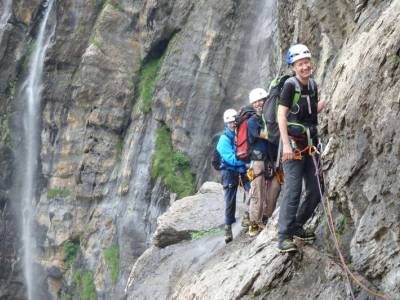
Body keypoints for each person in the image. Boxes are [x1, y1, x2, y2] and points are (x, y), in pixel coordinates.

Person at [277, 44, 326, 252]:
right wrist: (286, 145)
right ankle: (283, 236)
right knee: (293, 190)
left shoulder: (312, 85)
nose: (305, 66)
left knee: (316, 189)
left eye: (306, 62)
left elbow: (309, 113)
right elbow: (281, 115)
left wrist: (322, 104)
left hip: (310, 146)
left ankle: (297, 225)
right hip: (293, 148)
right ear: (293, 67)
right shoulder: (290, 85)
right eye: (300, 64)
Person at [247, 89, 281, 237]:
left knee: (274, 188)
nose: (259, 103)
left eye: (261, 100)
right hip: (258, 161)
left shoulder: (271, 117)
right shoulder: (252, 121)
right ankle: (254, 222)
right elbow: (265, 135)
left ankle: (266, 217)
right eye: (256, 101)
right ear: (252, 104)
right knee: (257, 191)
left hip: (272, 159)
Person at [216, 109, 250, 243]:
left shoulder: (240, 133)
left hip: (242, 168)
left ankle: (249, 214)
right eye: (230, 122)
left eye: (234, 122)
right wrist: (247, 161)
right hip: (229, 171)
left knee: (253, 190)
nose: (232, 124)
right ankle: (228, 227)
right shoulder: (224, 139)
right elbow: (230, 158)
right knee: (230, 200)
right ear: (226, 123)